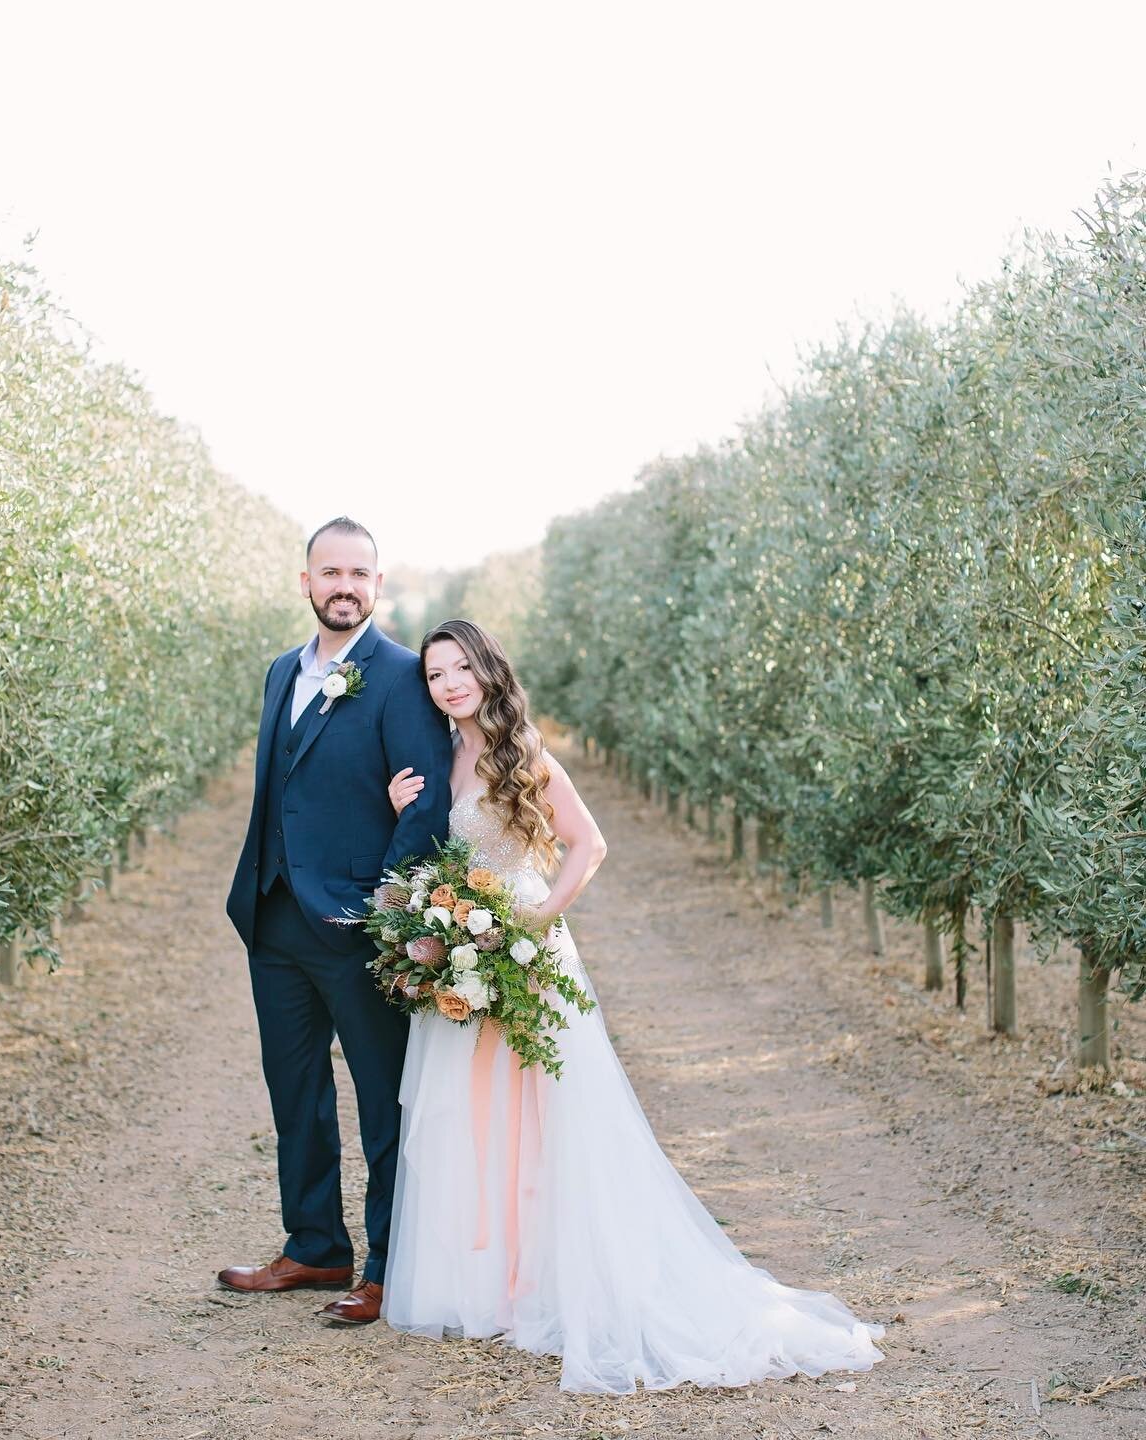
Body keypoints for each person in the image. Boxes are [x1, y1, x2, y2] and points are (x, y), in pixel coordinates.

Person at [380, 618, 888, 1393]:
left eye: (460, 669)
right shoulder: (443, 757)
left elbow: (589, 844)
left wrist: (540, 915)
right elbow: (431, 849)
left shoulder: (527, 754)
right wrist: (401, 814)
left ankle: (551, 1281)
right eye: (434, 674)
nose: (448, 684)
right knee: (477, 1114)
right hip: (466, 955)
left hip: (523, 952)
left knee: (547, 1117)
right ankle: (490, 1285)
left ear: (487, 672)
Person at [220, 518, 453, 1325]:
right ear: (306, 581)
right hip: (275, 918)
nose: (343, 585)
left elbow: (426, 810)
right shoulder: (281, 671)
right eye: (330, 572)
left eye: (359, 572)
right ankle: (316, 1244)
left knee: (383, 1100)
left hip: (359, 929)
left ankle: (391, 1264)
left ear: (378, 586)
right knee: (297, 1093)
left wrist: (391, 916)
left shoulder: (397, 677)